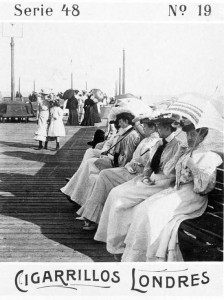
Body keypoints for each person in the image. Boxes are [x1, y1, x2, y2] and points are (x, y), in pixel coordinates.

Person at [120, 125, 222, 262]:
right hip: (177, 191)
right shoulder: (187, 152)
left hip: (193, 197)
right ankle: (138, 256)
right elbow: (168, 171)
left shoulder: (209, 157)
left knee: (153, 212)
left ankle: (153, 258)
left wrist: (192, 166)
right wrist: (179, 154)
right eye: (188, 135)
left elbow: (202, 188)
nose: (189, 138)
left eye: (193, 135)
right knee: (142, 208)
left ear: (202, 137)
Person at [94, 117, 183, 258]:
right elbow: (149, 164)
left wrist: (153, 175)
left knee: (120, 200)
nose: (157, 130)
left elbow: (170, 171)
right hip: (149, 179)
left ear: (168, 128)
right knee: (115, 193)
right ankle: (114, 241)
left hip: (164, 183)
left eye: (160, 128)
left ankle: (119, 245)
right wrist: (146, 175)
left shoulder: (178, 146)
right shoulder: (159, 143)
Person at [76, 118, 160, 230]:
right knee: (104, 175)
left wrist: (136, 163)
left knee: (104, 175)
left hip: (138, 174)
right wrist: (130, 165)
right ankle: (92, 215)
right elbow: (134, 157)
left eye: (145, 126)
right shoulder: (147, 139)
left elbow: (149, 164)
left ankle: (93, 217)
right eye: (142, 126)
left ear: (153, 128)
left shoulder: (155, 142)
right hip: (130, 169)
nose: (142, 128)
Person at [60, 112, 141, 207]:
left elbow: (124, 160)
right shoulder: (127, 132)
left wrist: (109, 156)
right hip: (113, 160)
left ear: (126, 121)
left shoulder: (131, 136)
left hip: (117, 165)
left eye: (120, 122)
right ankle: (75, 194)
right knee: (89, 163)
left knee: (90, 163)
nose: (118, 124)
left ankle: (75, 194)